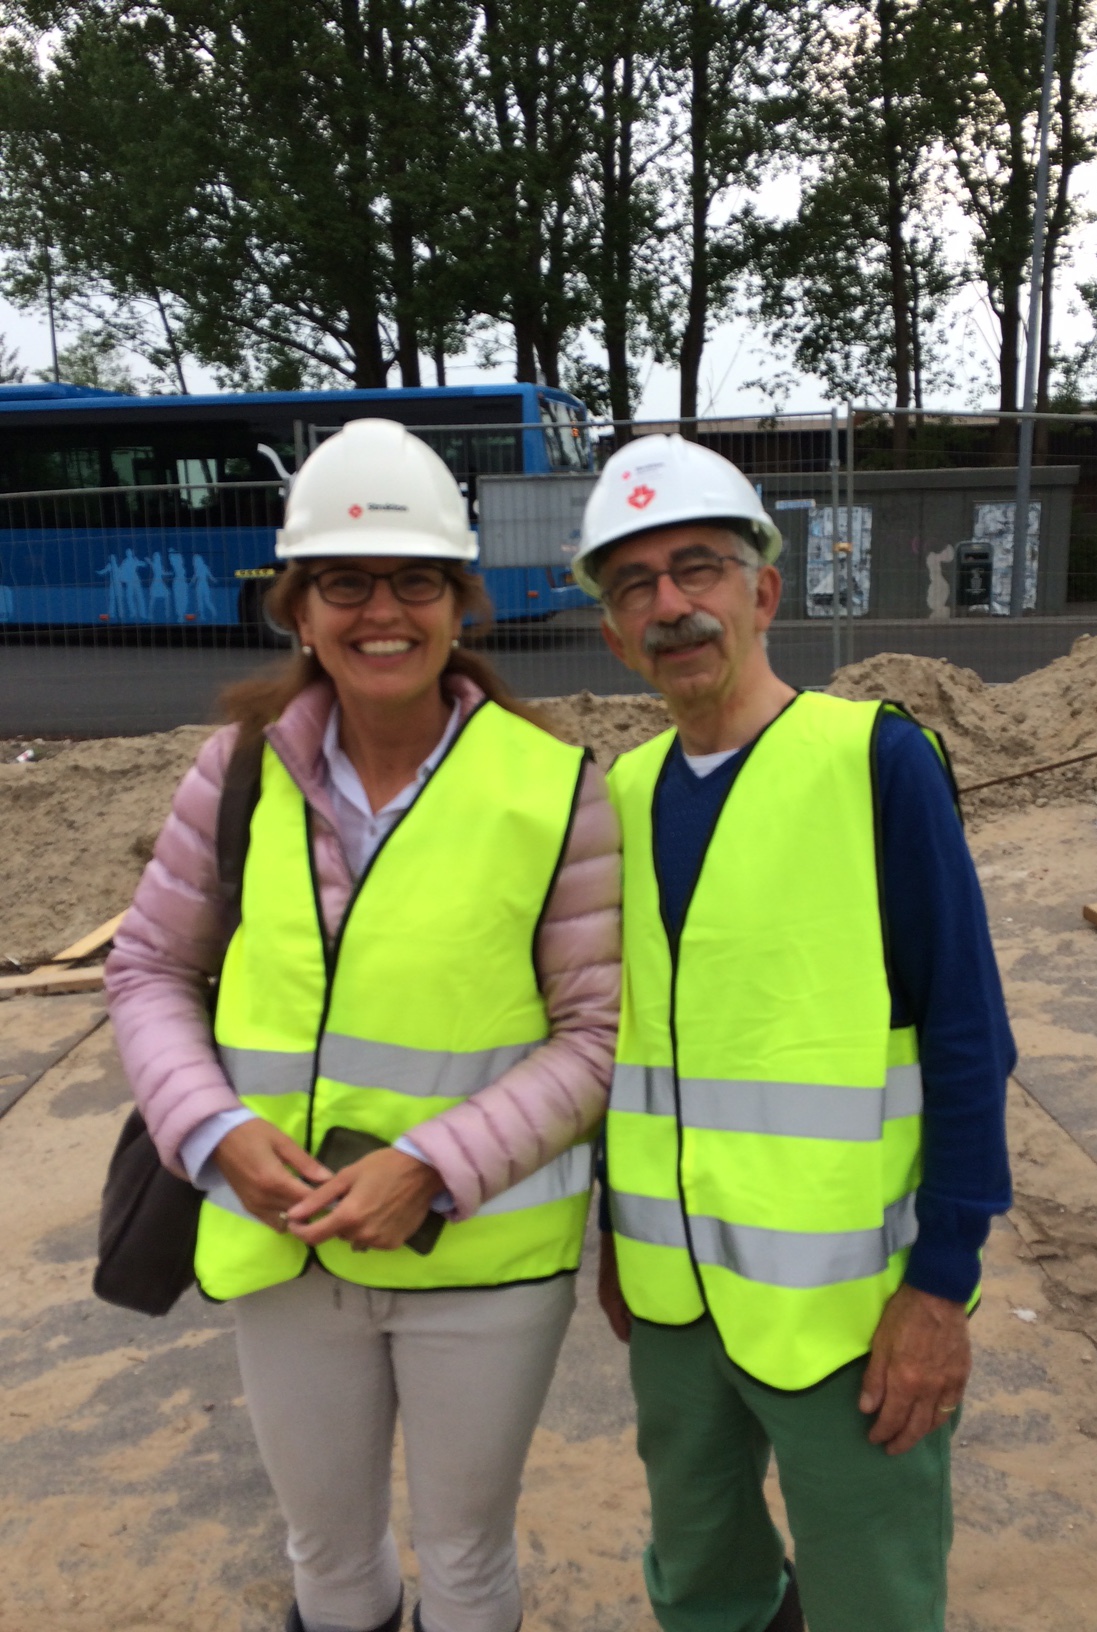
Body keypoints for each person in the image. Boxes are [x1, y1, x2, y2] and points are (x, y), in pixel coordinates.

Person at [105, 418, 620, 1632]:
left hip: (481, 1263)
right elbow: (148, 972)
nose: (380, 611)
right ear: (298, 606)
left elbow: (594, 1038)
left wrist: (431, 1169)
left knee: (466, 1557)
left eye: (416, 582)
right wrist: (212, 1128)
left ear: (460, 606)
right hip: (283, 1248)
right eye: (345, 581)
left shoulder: (552, 790)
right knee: (326, 1555)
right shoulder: (234, 774)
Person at [570, 434, 1014, 1632]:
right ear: (613, 634)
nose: (670, 605)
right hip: (671, 1303)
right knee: (705, 1580)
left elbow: (969, 1037)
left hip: (851, 1315)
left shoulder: (874, 762)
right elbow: (631, 1047)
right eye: (633, 586)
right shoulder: (621, 794)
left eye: (699, 568)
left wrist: (943, 1284)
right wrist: (618, 1233)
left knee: (872, 1595)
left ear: (763, 593)